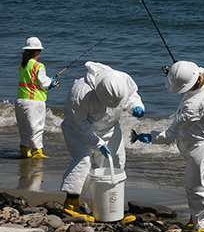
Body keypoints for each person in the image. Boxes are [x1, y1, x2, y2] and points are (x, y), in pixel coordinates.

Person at [132, 60, 204, 232]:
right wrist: (176, 70)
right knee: (192, 184)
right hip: (198, 137)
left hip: (202, 144)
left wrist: (151, 137)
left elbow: (171, 134)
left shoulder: (193, 106)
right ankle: (196, 218)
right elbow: (188, 73)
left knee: (198, 187)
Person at [60, 61, 144, 222]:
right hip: (79, 129)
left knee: (117, 163)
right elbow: (79, 125)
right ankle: (70, 204)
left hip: (110, 128)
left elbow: (132, 95)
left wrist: (135, 107)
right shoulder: (81, 92)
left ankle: (112, 208)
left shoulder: (122, 79)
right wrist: (98, 143)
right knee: (83, 161)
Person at [16, 37, 59, 158]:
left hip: (20, 101)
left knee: (24, 130)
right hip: (34, 103)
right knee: (37, 129)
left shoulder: (22, 64)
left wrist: (48, 84)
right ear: (37, 51)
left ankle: (25, 152)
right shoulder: (38, 66)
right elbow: (43, 83)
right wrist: (51, 82)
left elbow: (32, 83)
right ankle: (37, 153)